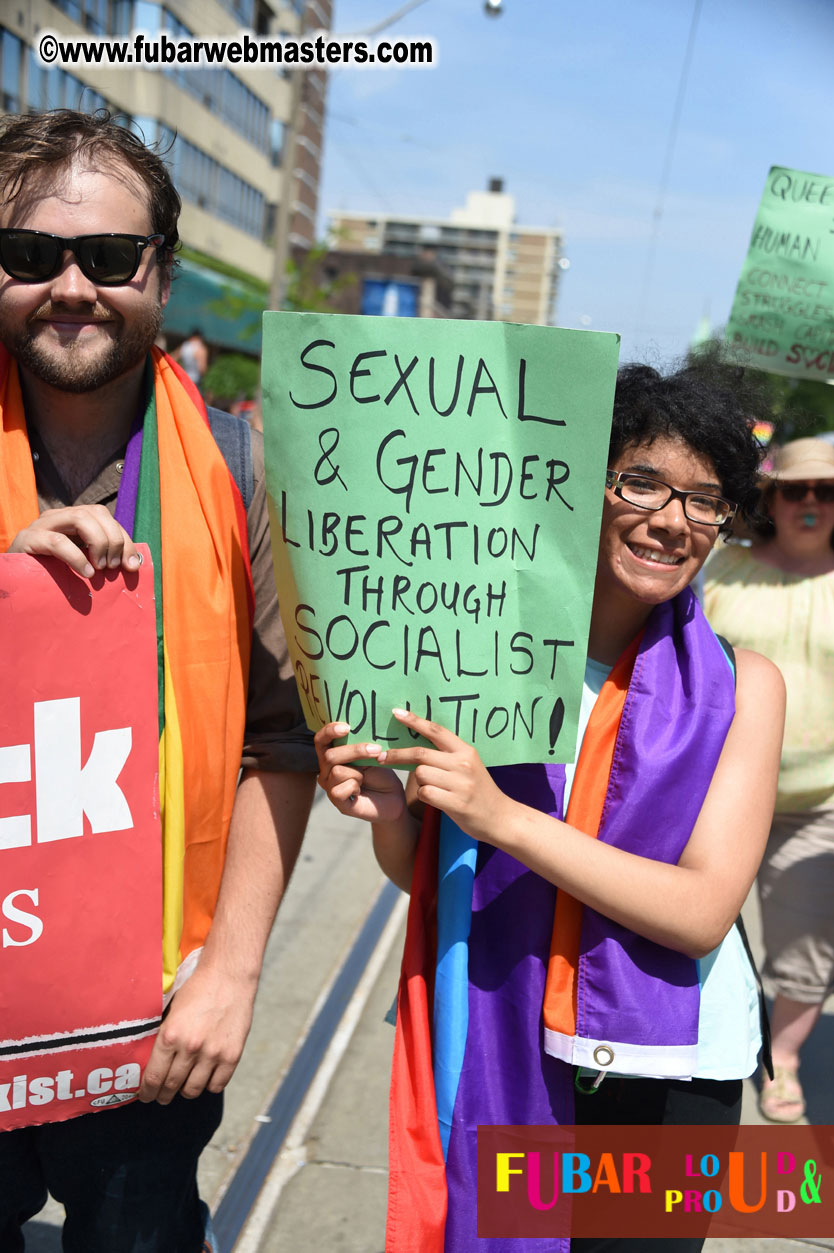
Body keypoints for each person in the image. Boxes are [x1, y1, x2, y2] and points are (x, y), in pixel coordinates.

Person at [316, 362, 786, 1253]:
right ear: (575, 486)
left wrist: (503, 816)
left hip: (668, 1071)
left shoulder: (743, 685)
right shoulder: (475, 652)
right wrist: (391, 817)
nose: (672, 520)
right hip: (502, 1028)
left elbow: (700, 912)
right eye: (641, 482)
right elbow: (442, 876)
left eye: (705, 500)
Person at [0, 109, 317, 1251]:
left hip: (155, 1012)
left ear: (162, 275)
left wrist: (231, 974)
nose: (71, 286)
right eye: (31, 253)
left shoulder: (247, 472)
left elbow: (281, 743)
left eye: (109, 255)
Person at [704, 436, 834, 1124]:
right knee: (686, 925)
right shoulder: (722, 567)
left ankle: (782, 1060)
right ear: (771, 499)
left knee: (808, 944)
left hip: (820, 803)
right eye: (795, 489)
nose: (811, 501)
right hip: (711, 792)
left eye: (827, 490)